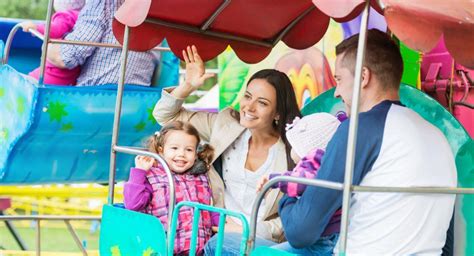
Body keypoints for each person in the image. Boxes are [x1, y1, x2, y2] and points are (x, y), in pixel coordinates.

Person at [277, 29, 457, 255]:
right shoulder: (438, 137)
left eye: (340, 80)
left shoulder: (358, 128)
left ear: (363, 77)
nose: (336, 92)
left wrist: (290, 186)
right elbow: (446, 243)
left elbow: (300, 231)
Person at [153, 46, 301, 253]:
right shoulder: (226, 124)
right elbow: (165, 116)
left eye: (262, 103)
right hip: (216, 232)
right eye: (248, 96)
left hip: (259, 242)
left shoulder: (293, 153)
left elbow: (295, 216)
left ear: (277, 113)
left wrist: (245, 230)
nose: (249, 107)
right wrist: (187, 85)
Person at [256, 112, 343, 255]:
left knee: (264, 253)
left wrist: (275, 180)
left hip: (322, 240)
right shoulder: (326, 164)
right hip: (330, 234)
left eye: (292, 145)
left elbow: (300, 182)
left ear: (305, 146)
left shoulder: (315, 158)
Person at [123, 121, 215, 255]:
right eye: (174, 148)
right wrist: (139, 172)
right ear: (161, 150)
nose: (181, 154)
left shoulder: (200, 177)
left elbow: (209, 209)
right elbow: (132, 204)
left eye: (188, 149)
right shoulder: (152, 176)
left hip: (199, 250)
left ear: (195, 154)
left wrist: (223, 224)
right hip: (165, 250)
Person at [46, 0, 155, 86]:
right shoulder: (155, 5)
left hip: (95, 95)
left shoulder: (102, 3)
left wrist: (47, 46)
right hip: (141, 96)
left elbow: (67, 57)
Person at [19, 0, 85, 85]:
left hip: (53, 75)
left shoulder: (65, 16)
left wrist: (36, 28)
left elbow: (56, 29)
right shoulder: (82, 19)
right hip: (69, 77)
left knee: (22, 81)